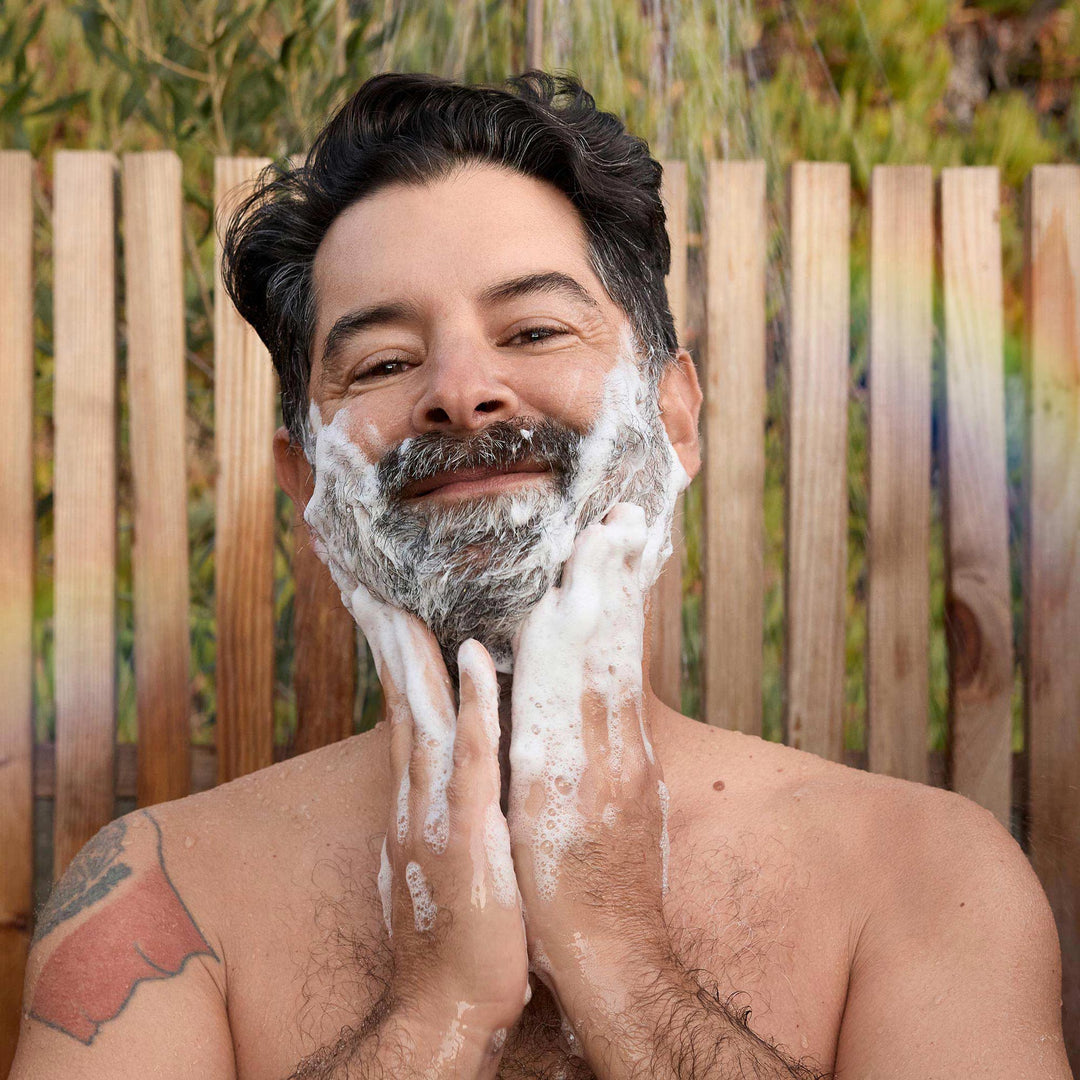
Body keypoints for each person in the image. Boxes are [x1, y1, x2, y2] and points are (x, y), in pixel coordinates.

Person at [11, 71, 1072, 1080]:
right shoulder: (161, 902)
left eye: (532, 330)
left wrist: (619, 954)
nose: (461, 392)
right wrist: (437, 1015)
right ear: (306, 481)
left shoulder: (928, 881)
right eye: (384, 362)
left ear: (675, 414)